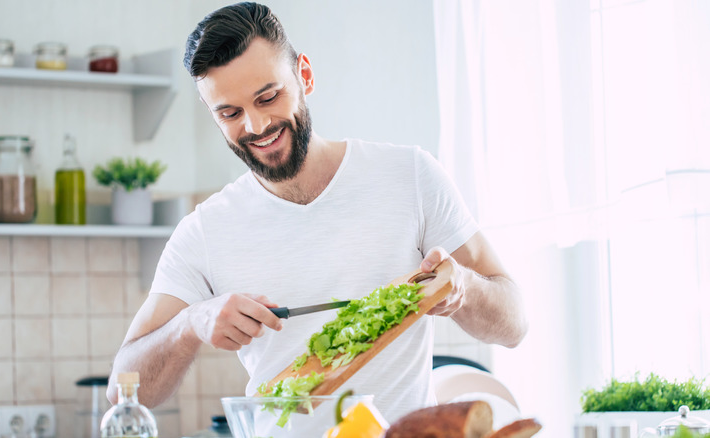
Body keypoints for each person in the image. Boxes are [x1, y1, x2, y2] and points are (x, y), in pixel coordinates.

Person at [108, 1, 528, 427]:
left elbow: (514, 324)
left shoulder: (410, 177)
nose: (255, 126)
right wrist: (189, 324)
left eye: (268, 97)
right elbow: (123, 388)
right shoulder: (204, 231)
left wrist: (465, 288)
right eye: (230, 113)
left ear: (304, 75)